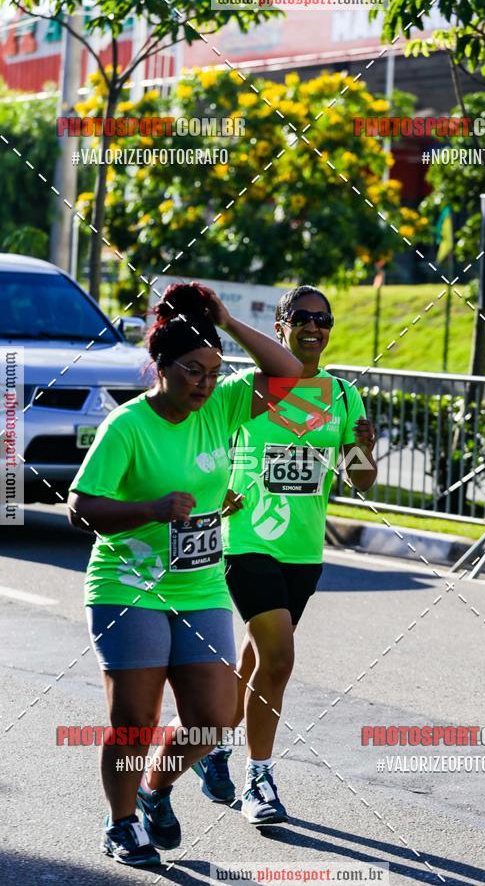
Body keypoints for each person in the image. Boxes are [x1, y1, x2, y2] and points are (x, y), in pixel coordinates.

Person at [68, 282, 302, 866]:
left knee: (215, 715)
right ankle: (120, 824)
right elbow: (80, 506)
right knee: (135, 718)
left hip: (197, 584)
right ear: (161, 367)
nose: (203, 383)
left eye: (211, 371)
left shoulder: (221, 406)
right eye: (192, 371)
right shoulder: (126, 427)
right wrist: (149, 510)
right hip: (129, 586)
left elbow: (288, 373)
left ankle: (154, 789)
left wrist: (223, 319)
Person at [192, 285, 377, 825]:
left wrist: (366, 444)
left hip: (303, 551)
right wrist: (212, 493)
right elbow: (201, 447)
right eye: (302, 318)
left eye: (324, 319)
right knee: (279, 659)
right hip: (246, 540)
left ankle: (212, 744)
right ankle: (260, 780)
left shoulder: (343, 395)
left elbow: (360, 480)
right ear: (280, 327)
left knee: (256, 658)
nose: (314, 327)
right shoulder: (249, 389)